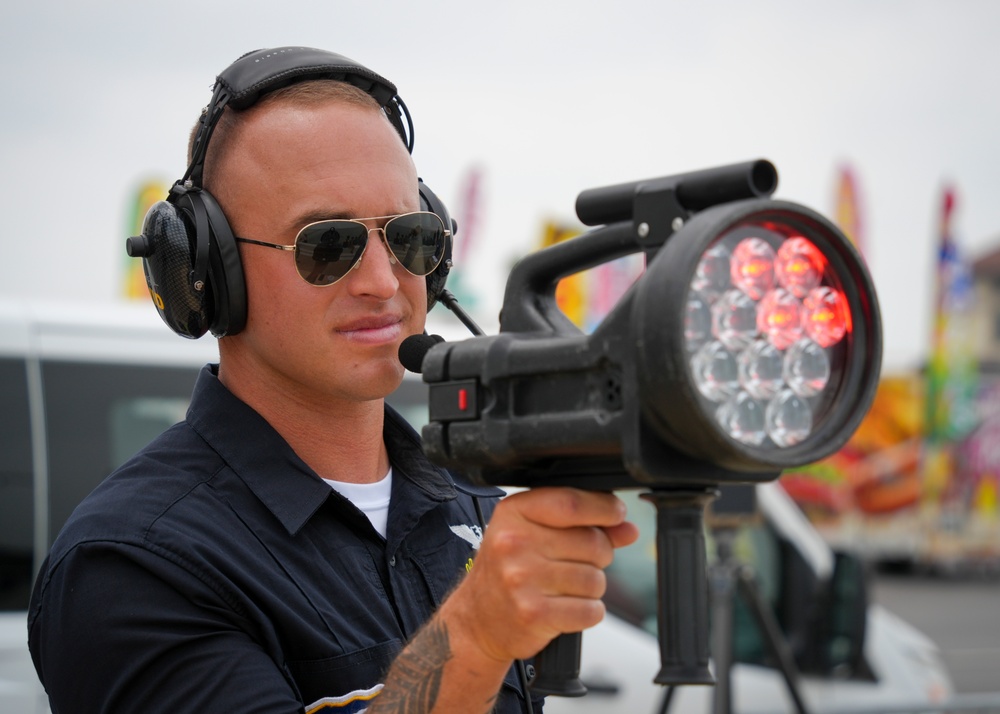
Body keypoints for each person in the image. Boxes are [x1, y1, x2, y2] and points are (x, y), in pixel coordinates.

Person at [27, 47, 639, 713]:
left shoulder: (476, 505)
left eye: (411, 236)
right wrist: (474, 637)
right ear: (211, 271)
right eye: (327, 244)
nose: (384, 281)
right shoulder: (129, 566)